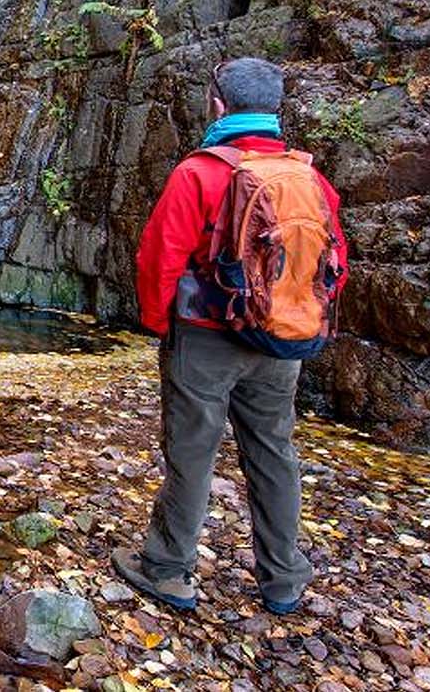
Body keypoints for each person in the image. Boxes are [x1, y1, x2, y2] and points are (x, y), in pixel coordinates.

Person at [112, 57, 348, 615]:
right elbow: (334, 259)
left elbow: (159, 257)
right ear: (275, 110)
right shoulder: (308, 178)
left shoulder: (200, 172)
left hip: (205, 339)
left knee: (192, 451)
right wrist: (296, 318)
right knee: (273, 452)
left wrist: (156, 323)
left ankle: (168, 568)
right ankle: (284, 578)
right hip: (280, 341)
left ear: (218, 104)